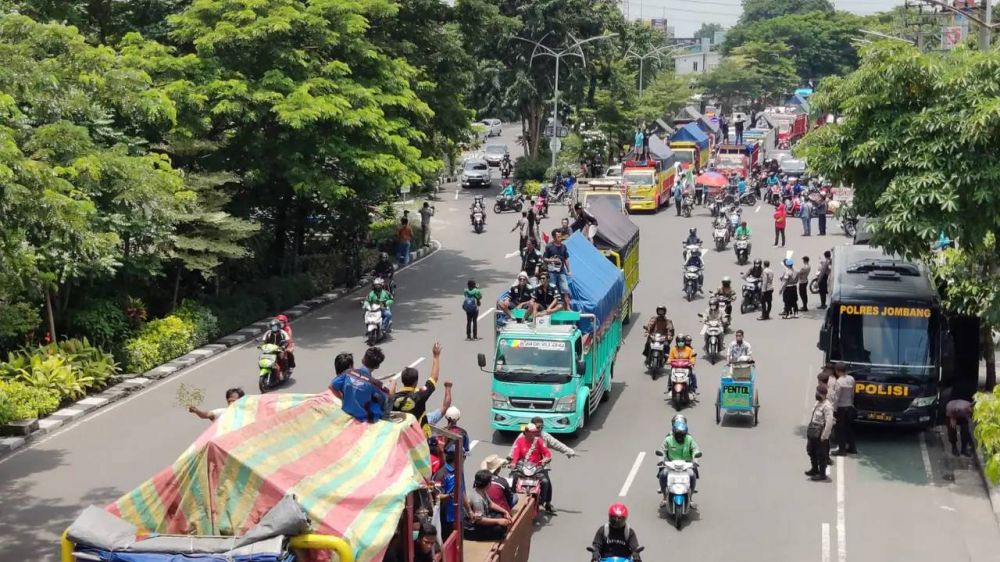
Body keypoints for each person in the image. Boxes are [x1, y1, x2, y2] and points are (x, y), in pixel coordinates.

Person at [393, 343, 442, 436]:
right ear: (416, 382)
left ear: (402, 380)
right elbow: (434, 378)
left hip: (401, 438)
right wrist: (436, 357)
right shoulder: (420, 395)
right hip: (419, 440)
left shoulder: (393, 397)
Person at [330, 347, 391, 422]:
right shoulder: (375, 383)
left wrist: (342, 399)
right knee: (384, 395)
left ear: (363, 360)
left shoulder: (348, 372)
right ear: (377, 366)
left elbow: (332, 386)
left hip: (346, 410)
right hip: (362, 415)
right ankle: (386, 418)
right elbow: (387, 395)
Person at [658, 414, 702, 507]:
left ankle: (690, 498)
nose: (680, 437)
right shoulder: (668, 440)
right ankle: (664, 497)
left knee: (692, 475)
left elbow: (695, 450)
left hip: (686, 465)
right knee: (663, 474)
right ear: (674, 432)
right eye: (678, 434)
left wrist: (695, 461)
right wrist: (661, 460)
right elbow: (662, 451)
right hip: (671, 465)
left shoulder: (689, 439)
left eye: (682, 435)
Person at [509, 423, 554, 512]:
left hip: (536, 468)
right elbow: (515, 454)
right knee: (512, 479)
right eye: (532, 432)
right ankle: (511, 499)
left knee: (545, 482)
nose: (534, 434)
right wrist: (513, 463)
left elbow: (547, 453)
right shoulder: (520, 441)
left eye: (535, 432)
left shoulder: (539, 441)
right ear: (526, 432)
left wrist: (545, 459)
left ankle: (542, 502)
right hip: (522, 468)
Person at [465, 470, 513, 541]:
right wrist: (498, 521)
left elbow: (491, 504)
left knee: (501, 515)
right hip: (473, 529)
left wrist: (505, 512)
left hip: (483, 518)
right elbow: (479, 520)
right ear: (488, 484)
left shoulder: (481, 490)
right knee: (500, 529)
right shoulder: (477, 500)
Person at [508, 416, 577, 459]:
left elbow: (556, 444)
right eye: (538, 427)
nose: (540, 429)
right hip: (522, 463)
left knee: (546, 481)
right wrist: (510, 458)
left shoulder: (544, 436)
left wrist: (569, 451)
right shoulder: (523, 435)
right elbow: (515, 447)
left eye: (542, 427)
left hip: (538, 464)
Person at [438, 448, 469, 539]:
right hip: (447, 518)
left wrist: (469, 510)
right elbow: (435, 495)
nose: (465, 459)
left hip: (459, 515)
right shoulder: (442, 474)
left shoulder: (459, 471)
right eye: (464, 456)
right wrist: (448, 496)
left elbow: (462, 491)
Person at [806, 385, 835, 481]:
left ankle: (822, 474)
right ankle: (815, 469)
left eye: (818, 393)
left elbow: (829, 422)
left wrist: (824, 436)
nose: (816, 394)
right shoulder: (817, 402)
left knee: (821, 455)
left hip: (821, 434)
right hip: (813, 432)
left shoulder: (827, 406)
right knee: (811, 450)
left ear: (823, 394)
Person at [830, 363, 857, 456]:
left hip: (840, 408)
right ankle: (852, 448)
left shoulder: (839, 382)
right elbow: (853, 393)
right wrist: (851, 403)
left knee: (839, 429)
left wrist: (833, 410)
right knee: (848, 428)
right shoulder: (851, 379)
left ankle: (841, 450)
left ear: (837, 371)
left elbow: (836, 398)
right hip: (849, 406)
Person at [543, 229, 572, 300]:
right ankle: (553, 305)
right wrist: (552, 260)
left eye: (560, 236)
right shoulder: (549, 247)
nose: (560, 238)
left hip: (562, 271)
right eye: (558, 236)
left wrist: (569, 270)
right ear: (554, 237)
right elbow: (544, 259)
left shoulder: (564, 247)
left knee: (565, 289)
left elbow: (566, 259)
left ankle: (567, 307)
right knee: (553, 289)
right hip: (552, 272)